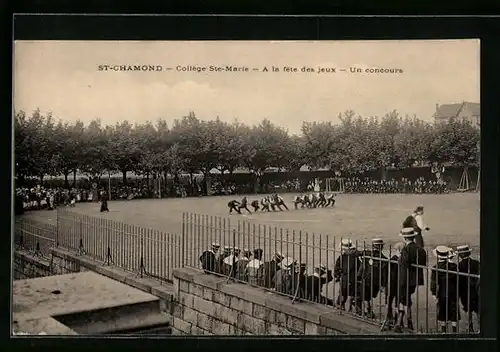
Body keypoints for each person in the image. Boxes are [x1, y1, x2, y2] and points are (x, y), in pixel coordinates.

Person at [393, 227, 427, 333]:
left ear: (404, 238)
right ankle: (408, 322)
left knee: (403, 299)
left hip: (405, 279)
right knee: (406, 299)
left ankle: (400, 322)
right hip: (415, 280)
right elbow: (422, 263)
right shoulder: (420, 249)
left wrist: (399, 257)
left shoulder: (406, 249)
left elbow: (404, 264)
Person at [430, 245, 460, 333]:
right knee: (453, 308)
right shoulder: (454, 266)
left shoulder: (436, 267)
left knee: (442, 309)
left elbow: (434, 282)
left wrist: (434, 293)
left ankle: (443, 329)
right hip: (453, 290)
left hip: (442, 291)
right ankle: (454, 329)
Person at [357, 238, 388, 318]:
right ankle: (368, 311)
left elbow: (362, 267)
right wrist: (383, 284)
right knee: (368, 296)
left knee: (365, 296)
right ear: (381, 247)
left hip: (366, 278)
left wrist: (359, 276)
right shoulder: (384, 259)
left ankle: (368, 310)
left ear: (373, 246)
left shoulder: (367, 254)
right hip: (376, 281)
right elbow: (384, 273)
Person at [456, 245, 480, 332]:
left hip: (465, 292)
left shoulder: (459, 266)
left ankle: (470, 328)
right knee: (478, 310)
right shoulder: (476, 263)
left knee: (467, 310)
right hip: (476, 290)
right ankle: (481, 328)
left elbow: (459, 281)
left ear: (460, 255)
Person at [381, 242, 406, 329]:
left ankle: (388, 319)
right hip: (400, 284)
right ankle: (397, 321)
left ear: (397, 250)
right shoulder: (404, 260)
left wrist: (383, 284)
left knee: (388, 301)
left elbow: (384, 270)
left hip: (390, 284)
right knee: (398, 303)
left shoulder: (392, 260)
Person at [334, 238, 362, 312]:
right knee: (351, 293)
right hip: (352, 278)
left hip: (346, 278)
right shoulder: (356, 256)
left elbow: (337, 268)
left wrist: (337, 276)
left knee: (344, 293)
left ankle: (341, 305)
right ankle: (349, 306)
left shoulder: (342, 257)